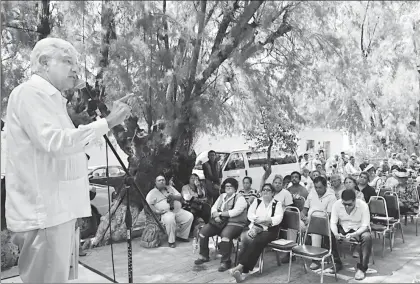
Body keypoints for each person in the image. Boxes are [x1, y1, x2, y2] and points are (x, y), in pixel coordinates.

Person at [5, 38, 131, 283]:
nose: (76, 69)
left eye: (76, 63)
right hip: (45, 214)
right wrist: (108, 122)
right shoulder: (29, 94)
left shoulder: (52, 100)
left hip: (59, 213)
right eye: (67, 62)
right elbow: (56, 142)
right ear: (43, 63)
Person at [229, 183, 283, 282]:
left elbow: (278, 218)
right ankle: (243, 272)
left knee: (257, 240)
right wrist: (259, 220)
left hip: (270, 230)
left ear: (273, 193)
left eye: (268, 190)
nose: (265, 192)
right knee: (246, 239)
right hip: (255, 227)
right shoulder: (257, 201)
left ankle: (240, 267)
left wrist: (265, 221)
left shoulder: (277, 204)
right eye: (264, 190)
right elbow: (250, 214)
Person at [194, 178, 247, 272]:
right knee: (203, 232)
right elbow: (214, 207)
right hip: (220, 222)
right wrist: (215, 215)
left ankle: (226, 262)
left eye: (231, 186)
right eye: (227, 186)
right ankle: (204, 256)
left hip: (234, 223)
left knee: (225, 236)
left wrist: (220, 214)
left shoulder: (240, 198)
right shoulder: (222, 196)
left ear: (235, 188)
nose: (228, 188)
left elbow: (235, 212)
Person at [328, 189, 373, 281]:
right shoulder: (337, 204)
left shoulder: (363, 206)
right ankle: (337, 263)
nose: (347, 207)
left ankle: (362, 268)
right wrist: (336, 233)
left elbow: (365, 225)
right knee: (329, 233)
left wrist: (355, 234)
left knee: (367, 237)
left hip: (359, 229)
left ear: (355, 200)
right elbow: (333, 223)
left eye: (350, 204)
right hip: (343, 227)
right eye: (345, 204)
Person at [300, 176, 337, 270]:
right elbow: (305, 208)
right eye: (316, 187)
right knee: (294, 225)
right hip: (308, 220)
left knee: (316, 231)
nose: (317, 189)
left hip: (322, 223)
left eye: (320, 187)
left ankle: (315, 259)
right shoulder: (312, 193)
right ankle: (291, 253)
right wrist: (302, 215)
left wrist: (312, 220)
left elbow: (329, 215)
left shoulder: (331, 197)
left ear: (325, 186)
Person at [146, 175, 194, 248]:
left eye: (163, 180)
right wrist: (157, 211)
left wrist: (173, 197)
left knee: (189, 216)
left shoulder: (170, 188)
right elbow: (149, 205)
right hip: (165, 213)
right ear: (155, 182)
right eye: (159, 180)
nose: (162, 181)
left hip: (177, 211)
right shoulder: (152, 193)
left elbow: (180, 196)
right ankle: (171, 241)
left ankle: (181, 236)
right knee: (170, 219)